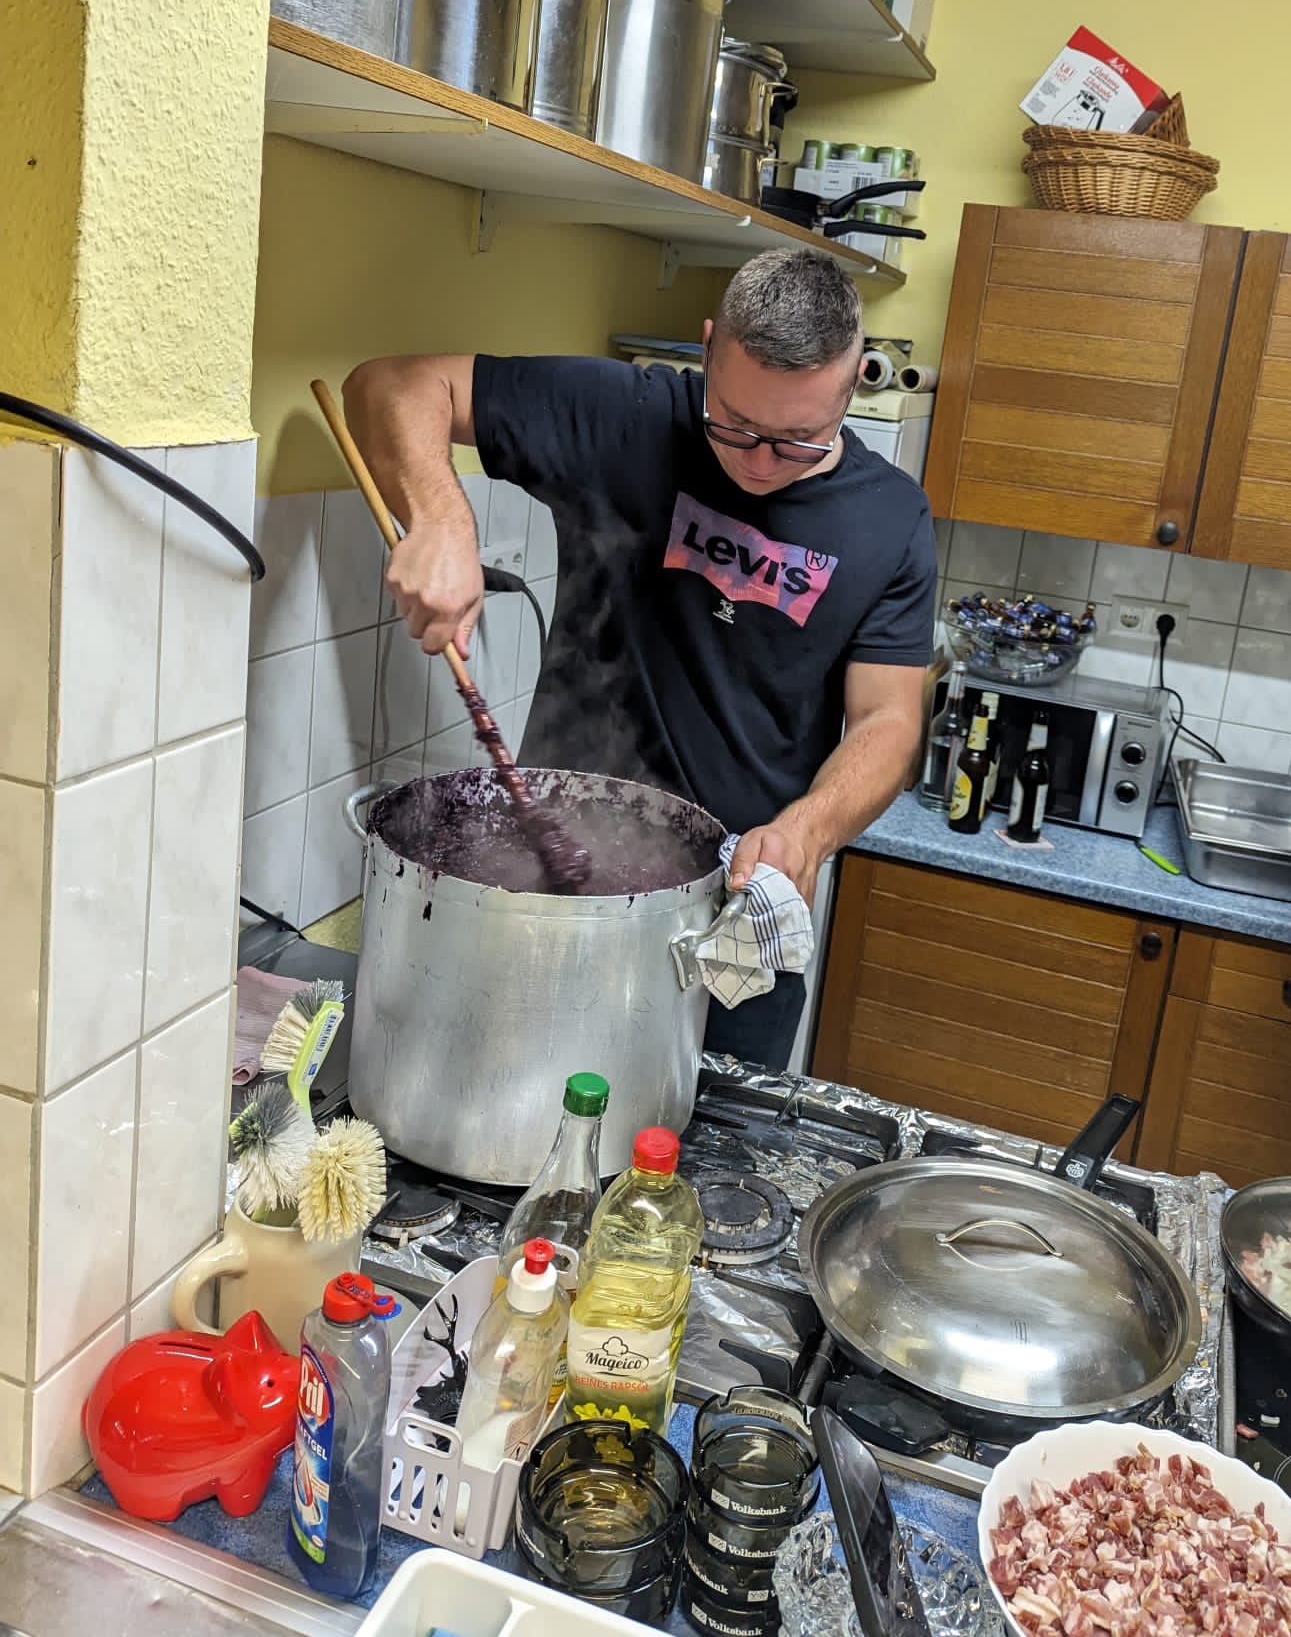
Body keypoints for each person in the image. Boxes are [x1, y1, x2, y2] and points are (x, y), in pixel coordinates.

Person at [344, 248, 937, 1071]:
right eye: (735, 424)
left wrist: (809, 829)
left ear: (851, 384)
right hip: (556, 900)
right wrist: (442, 519)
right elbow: (388, 385)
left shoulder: (892, 519)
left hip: (733, 920)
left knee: (705, 1142)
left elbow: (888, 720)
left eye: (798, 440)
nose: (759, 462)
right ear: (708, 348)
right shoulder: (626, 416)